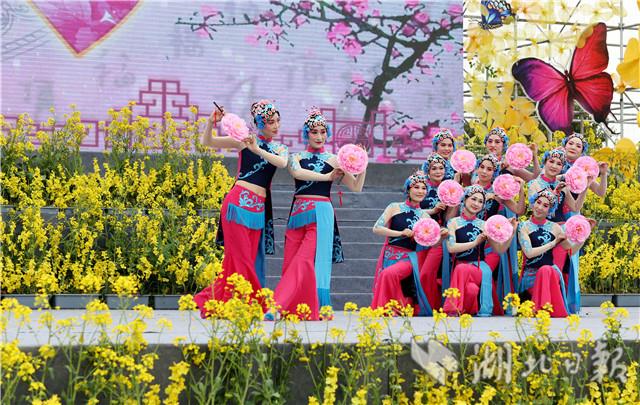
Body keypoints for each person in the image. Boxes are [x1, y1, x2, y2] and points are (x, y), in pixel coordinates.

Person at [193, 100, 289, 318]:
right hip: (237, 205)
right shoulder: (244, 142)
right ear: (259, 123)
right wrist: (210, 122)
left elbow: (282, 163)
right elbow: (208, 141)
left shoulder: (279, 148)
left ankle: (210, 299)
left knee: (240, 261)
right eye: (270, 122)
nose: (275, 126)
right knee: (241, 259)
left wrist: (258, 149)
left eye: (277, 121)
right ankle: (261, 305)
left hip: (257, 211)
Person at [274, 108, 366, 320]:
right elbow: (297, 173)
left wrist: (362, 164)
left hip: (321, 213)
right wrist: (328, 177)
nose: (319, 136)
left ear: (327, 134)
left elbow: (356, 187)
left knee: (307, 260)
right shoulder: (295, 156)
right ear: (307, 134)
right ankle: (293, 308)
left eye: (323, 132)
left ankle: (278, 305)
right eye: (314, 132)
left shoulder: (335, 159)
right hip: (297, 213)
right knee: (291, 260)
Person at [371, 171, 444, 316]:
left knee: (388, 274)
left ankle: (386, 310)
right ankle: (398, 308)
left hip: (409, 259)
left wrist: (440, 237)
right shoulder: (394, 207)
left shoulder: (424, 216)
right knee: (387, 274)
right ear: (408, 190)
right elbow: (377, 228)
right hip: (389, 254)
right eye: (416, 187)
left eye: (424, 188)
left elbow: (430, 244)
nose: (420, 191)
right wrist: (400, 233)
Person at [441, 185, 516, 316]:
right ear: (465, 199)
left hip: (479, 268)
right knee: (471, 290)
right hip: (460, 265)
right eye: (473, 199)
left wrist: (512, 232)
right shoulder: (453, 223)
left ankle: (451, 309)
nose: (476, 203)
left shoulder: (484, 225)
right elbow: (451, 248)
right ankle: (467, 310)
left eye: (480, 201)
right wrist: (475, 242)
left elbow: (500, 249)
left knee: (462, 269)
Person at [518, 189, 593, 317]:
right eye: (538, 202)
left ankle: (544, 309)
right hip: (530, 276)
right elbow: (529, 253)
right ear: (533, 203)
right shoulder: (523, 226)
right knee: (545, 270)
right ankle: (543, 307)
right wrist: (553, 243)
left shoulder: (555, 228)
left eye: (545, 206)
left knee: (547, 269)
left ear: (550, 210)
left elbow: (570, 251)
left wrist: (584, 235)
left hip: (549, 273)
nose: (540, 207)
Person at [417, 153, 454, 310]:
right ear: (428, 171)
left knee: (428, 273)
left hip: (439, 236)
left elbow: (450, 218)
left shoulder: (448, 189)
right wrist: (432, 210)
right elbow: (414, 211)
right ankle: (424, 306)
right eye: (434, 169)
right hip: (420, 236)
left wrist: (454, 203)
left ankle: (431, 308)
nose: (438, 171)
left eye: (441, 168)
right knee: (420, 274)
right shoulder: (421, 187)